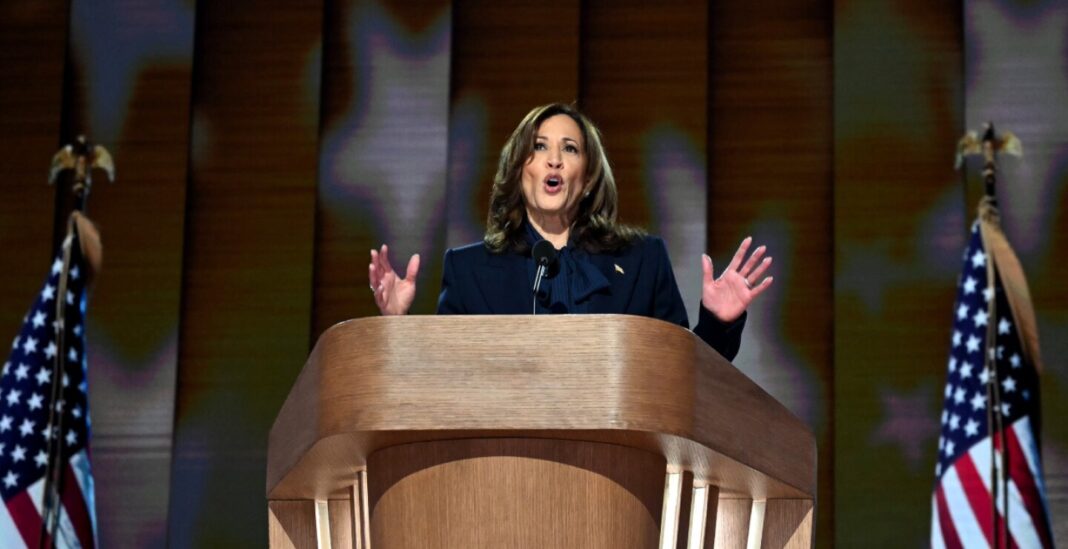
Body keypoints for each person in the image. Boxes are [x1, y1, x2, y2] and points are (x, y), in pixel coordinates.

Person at [368, 103, 772, 360]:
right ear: (518, 170)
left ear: (589, 177)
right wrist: (396, 328)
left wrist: (718, 323)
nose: (554, 161)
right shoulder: (469, 269)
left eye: (570, 149)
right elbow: (440, 381)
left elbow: (681, 380)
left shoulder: (641, 259)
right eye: (539, 147)